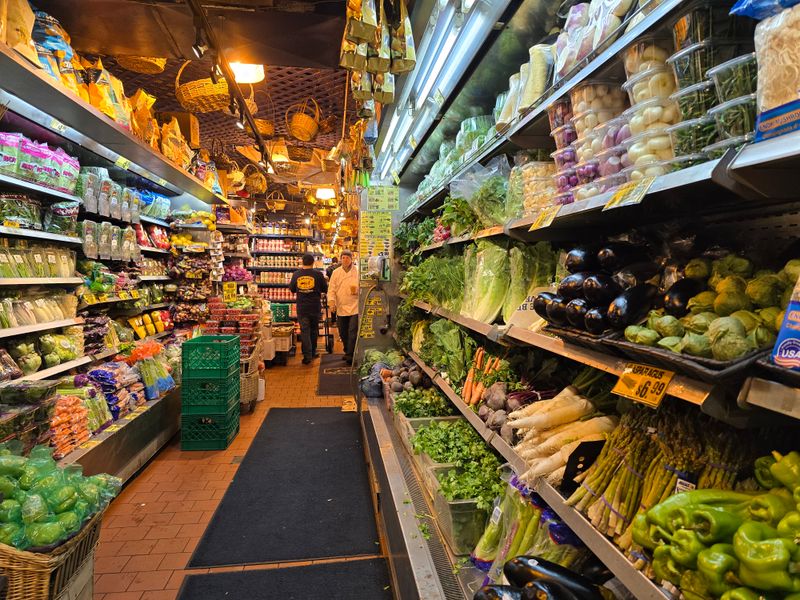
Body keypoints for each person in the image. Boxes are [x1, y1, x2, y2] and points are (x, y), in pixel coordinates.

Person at [289, 254, 327, 364]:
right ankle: (313, 352)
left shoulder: (296, 274)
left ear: (302, 262)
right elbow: (325, 288)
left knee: (305, 331)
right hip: (315, 306)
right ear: (313, 262)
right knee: (314, 330)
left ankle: (307, 356)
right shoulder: (318, 274)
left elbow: (292, 288)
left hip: (302, 307)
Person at [328, 249, 359, 365]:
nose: (345, 260)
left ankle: (350, 354)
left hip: (355, 306)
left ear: (352, 259)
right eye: (343, 258)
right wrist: (331, 302)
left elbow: (364, 286)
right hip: (341, 307)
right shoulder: (336, 272)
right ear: (341, 259)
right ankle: (347, 350)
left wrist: (358, 290)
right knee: (343, 332)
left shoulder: (358, 271)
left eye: (347, 257)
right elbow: (331, 289)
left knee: (352, 331)